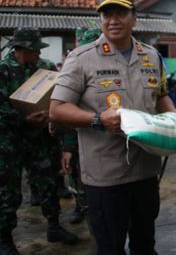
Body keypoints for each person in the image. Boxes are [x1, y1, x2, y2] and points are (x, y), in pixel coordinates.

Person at [49, 0, 176, 254]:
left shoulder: (151, 56)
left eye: (121, 12)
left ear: (134, 17)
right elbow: (57, 109)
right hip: (106, 175)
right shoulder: (82, 58)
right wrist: (97, 119)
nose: (113, 20)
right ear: (100, 19)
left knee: (145, 243)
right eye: (107, 14)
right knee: (110, 247)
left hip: (145, 170)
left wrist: (174, 120)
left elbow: (161, 95)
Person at [0, 28, 78, 254]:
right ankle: (5, 239)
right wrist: (23, 119)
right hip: (9, 142)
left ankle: (54, 226)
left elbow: (57, 99)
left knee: (49, 183)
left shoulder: (43, 69)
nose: (39, 55)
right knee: (8, 192)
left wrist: (49, 115)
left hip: (40, 140)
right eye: (35, 51)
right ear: (22, 50)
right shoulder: (3, 71)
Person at [59, 27, 101, 224]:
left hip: (103, 140)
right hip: (76, 135)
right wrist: (67, 147)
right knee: (76, 173)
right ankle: (81, 205)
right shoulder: (72, 66)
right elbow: (63, 110)